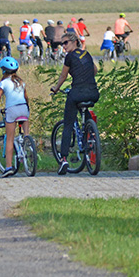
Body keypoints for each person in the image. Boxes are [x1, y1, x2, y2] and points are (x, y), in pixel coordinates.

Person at [50, 32, 99, 175]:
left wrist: (56, 88)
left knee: (68, 124)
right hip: (93, 92)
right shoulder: (87, 54)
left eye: (65, 43)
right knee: (86, 114)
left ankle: (63, 158)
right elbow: (94, 70)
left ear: (74, 42)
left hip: (77, 93)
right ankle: (91, 135)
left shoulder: (69, 57)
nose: (63, 46)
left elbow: (63, 75)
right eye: (61, 44)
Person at [0, 56, 30, 178]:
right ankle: (28, 148)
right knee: (26, 135)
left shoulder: (3, 83)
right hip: (24, 108)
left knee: (10, 139)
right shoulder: (21, 82)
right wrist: (28, 108)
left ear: (3, 71)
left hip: (12, 110)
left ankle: (8, 167)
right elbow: (26, 98)